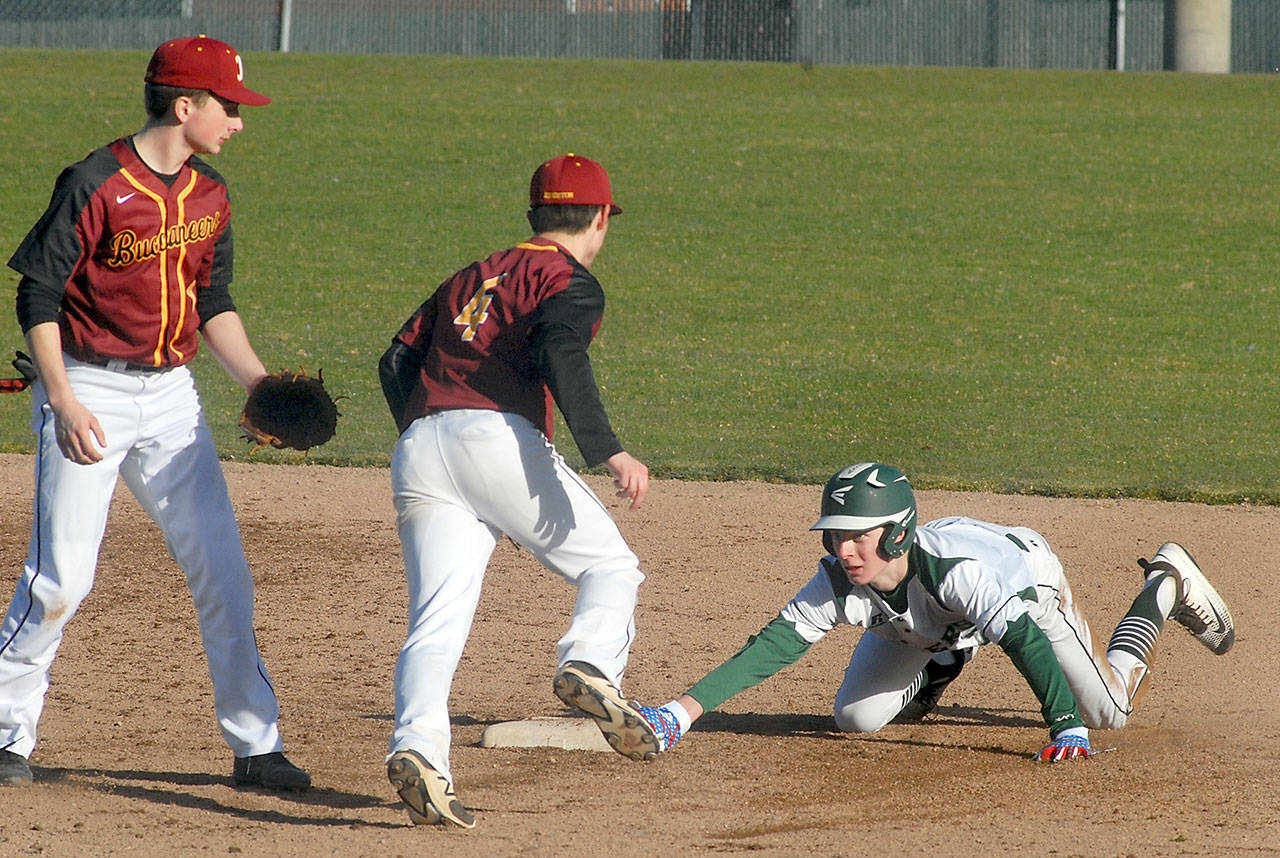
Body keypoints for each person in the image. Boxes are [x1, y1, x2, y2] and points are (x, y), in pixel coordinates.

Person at [0, 36, 309, 791]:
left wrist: (258, 383)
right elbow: (36, 295)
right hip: (87, 390)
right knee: (60, 578)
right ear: (185, 106)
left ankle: (255, 744)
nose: (237, 120)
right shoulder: (95, 182)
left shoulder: (211, 194)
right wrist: (63, 399)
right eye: (228, 106)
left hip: (172, 396)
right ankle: (7, 732)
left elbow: (213, 302)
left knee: (225, 573)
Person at [377, 153, 661, 828]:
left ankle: (419, 750)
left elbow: (396, 359)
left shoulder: (472, 275)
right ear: (598, 219)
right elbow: (563, 351)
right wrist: (608, 450)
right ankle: (590, 664)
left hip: (419, 449)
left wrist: (426, 432)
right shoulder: (570, 279)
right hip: (494, 441)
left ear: (534, 215)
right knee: (611, 566)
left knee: (435, 621)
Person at [616, 462, 1235, 763]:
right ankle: (947, 652)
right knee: (856, 718)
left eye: (859, 534)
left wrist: (1064, 723)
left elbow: (1023, 639)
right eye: (836, 534)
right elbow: (774, 645)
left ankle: (1165, 582)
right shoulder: (840, 578)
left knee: (1109, 714)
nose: (844, 548)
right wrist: (679, 713)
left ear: (897, 532)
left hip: (1028, 588)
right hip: (932, 616)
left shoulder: (959, 573)